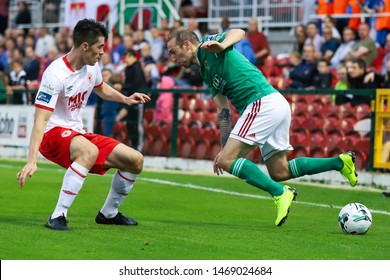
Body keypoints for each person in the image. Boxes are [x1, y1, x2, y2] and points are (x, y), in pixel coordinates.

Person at [167, 28, 358, 227]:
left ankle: (280, 193)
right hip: (273, 104)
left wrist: (223, 45)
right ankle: (340, 163)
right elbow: (223, 110)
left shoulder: (209, 45)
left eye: (173, 51)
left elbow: (238, 31)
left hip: (261, 102)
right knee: (279, 171)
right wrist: (225, 148)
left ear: (187, 44)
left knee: (227, 160)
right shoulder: (205, 72)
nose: (172, 58)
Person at [16, 19, 151, 231]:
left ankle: (108, 214)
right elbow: (40, 120)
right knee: (89, 150)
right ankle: (58, 215)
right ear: (85, 46)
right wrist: (32, 161)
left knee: (135, 160)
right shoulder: (55, 73)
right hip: (52, 134)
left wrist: (125, 99)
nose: (102, 53)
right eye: (100, 47)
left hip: (77, 133)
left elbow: (100, 88)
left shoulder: (92, 67)